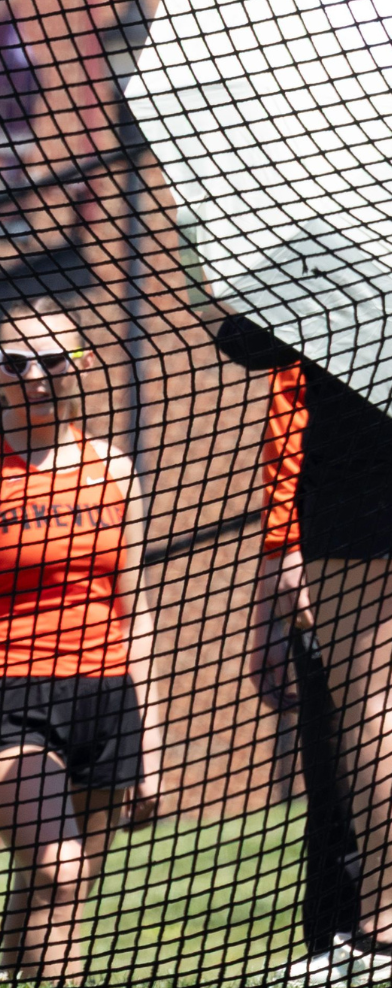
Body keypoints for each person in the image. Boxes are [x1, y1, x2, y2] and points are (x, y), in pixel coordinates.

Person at [0, 294, 166, 984]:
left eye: (53, 362)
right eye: (16, 363)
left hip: (105, 698)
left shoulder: (113, 469)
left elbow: (138, 611)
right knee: (61, 871)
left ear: (79, 364)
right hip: (8, 701)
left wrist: (151, 744)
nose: (34, 377)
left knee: (61, 891)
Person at [217, 314, 392, 986]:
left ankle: (382, 928)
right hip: (350, 488)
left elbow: (246, 340)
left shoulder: (324, 273)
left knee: (368, 703)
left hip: (360, 479)